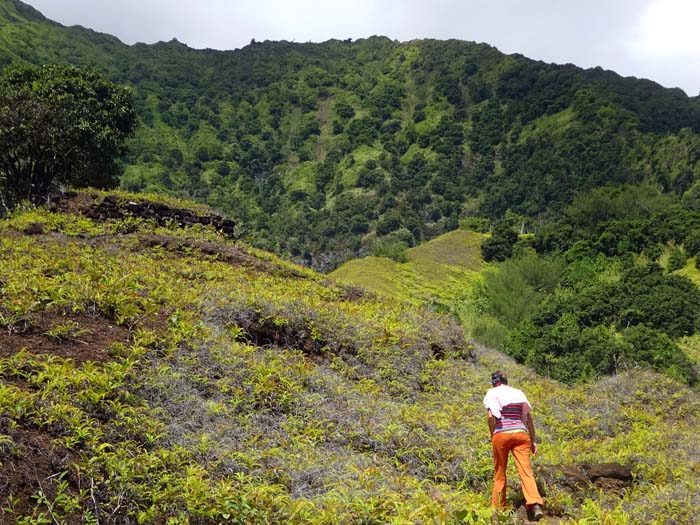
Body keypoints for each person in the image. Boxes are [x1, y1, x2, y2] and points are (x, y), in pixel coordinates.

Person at [483, 370, 544, 521]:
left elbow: (491, 416)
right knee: (526, 471)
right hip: (521, 434)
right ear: (506, 380)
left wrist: (493, 434)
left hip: (501, 434)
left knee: (500, 473)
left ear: (494, 381)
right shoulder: (518, 393)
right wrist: (533, 439)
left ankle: (498, 510)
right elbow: (528, 418)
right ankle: (535, 504)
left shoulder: (492, 392)